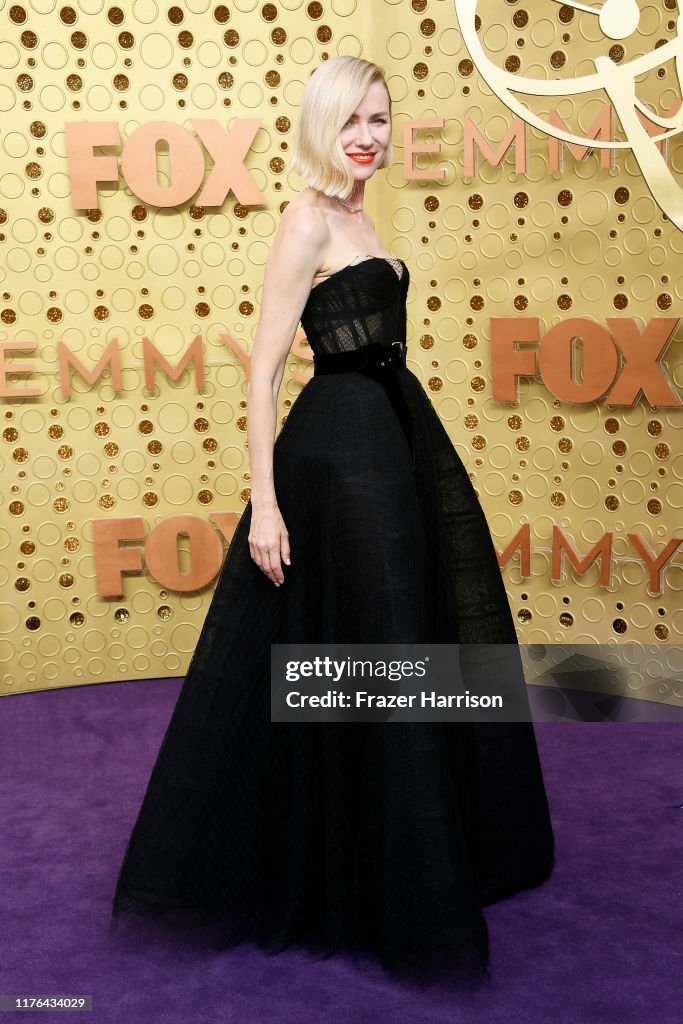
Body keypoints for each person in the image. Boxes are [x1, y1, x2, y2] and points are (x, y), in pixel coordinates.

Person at [110, 55, 555, 988]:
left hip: (391, 448)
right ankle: (357, 876)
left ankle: (406, 855)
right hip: (334, 461)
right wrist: (264, 505)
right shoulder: (306, 218)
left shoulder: (361, 215)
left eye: (380, 119)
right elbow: (265, 373)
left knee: (397, 647)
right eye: (351, 119)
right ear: (319, 125)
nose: (367, 134)